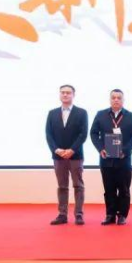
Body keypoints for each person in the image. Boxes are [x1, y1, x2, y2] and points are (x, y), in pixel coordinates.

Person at [90, 89, 132, 225]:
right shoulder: (101, 115)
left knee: (124, 189)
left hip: (124, 159)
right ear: (110, 99)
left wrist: (125, 150)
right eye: (113, 97)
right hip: (106, 159)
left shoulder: (131, 116)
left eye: (119, 98)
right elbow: (93, 133)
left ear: (123, 100)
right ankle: (110, 214)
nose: (116, 100)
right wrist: (100, 148)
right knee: (109, 189)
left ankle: (122, 215)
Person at [46, 84, 89, 225]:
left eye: (68, 92)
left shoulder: (82, 112)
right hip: (58, 156)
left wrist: (72, 150)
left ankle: (79, 215)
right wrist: (56, 150)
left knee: (78, 185)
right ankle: (62, 214)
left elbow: (83, 134)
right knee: (62, 186)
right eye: (62, 92)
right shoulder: (52, 113)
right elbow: (48, 134)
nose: (65, 95)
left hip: (75, 156)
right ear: (60, 95)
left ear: (73, 95)